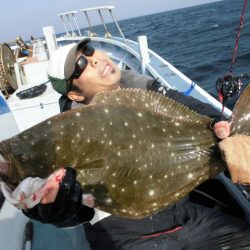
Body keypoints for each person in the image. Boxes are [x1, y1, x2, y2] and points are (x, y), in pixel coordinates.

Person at [7, 39, 250, 249]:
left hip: (185, 214)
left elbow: (197, 111)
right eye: (80, 66)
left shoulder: (147, 90)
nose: (94, 61)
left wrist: (222, 125)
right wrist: (58, 212)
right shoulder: (67, 132)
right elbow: (69, 204)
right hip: (129, 236)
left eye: (89, 51)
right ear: (75, 95)